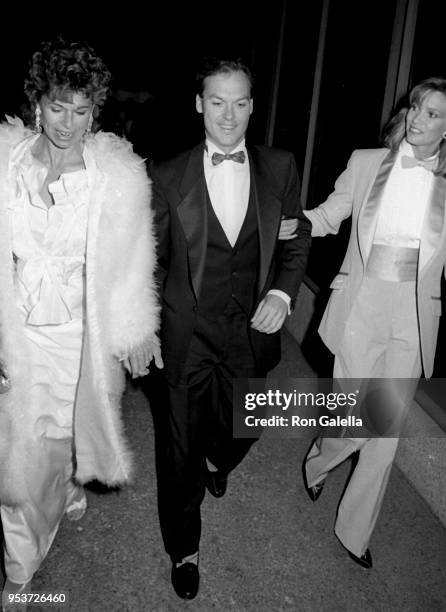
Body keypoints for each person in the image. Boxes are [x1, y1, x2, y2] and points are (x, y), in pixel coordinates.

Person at [0, 38, 160, 607]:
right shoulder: (6, 162)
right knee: (23, 446)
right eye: (56, 106)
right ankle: (29, 544)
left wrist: (135, 327)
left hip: (77, 336)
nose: (67, 123)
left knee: (55, 436)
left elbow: (132, 259)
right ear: (36, 103)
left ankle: (23, 564)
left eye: (81, 109)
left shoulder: (112, 176)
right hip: (14, 329)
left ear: (96, 111)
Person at [294, 77, 446, 568]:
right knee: (356, 416)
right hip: (362, 302)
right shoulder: (366, 161)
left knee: (386, 431)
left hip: (415, 317)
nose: (418, 118)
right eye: (416, 107)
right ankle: (319, 459)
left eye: (433, 114)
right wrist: (294, 221)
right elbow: (332, 214)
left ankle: (355, 532)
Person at [150, 57, 311, 599]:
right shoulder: (166, 175)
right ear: (199, 104)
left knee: (245, 426)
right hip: (188, 335)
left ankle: (220, 460)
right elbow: (147, 261)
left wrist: (284, 291)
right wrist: (140, 327)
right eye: (217, 101)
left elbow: (296, 237)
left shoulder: (280, 166)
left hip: (250, 332)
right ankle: (184, 549)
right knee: (179, 453)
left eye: (240, 101)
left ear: (251, 104)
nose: (229, 114)